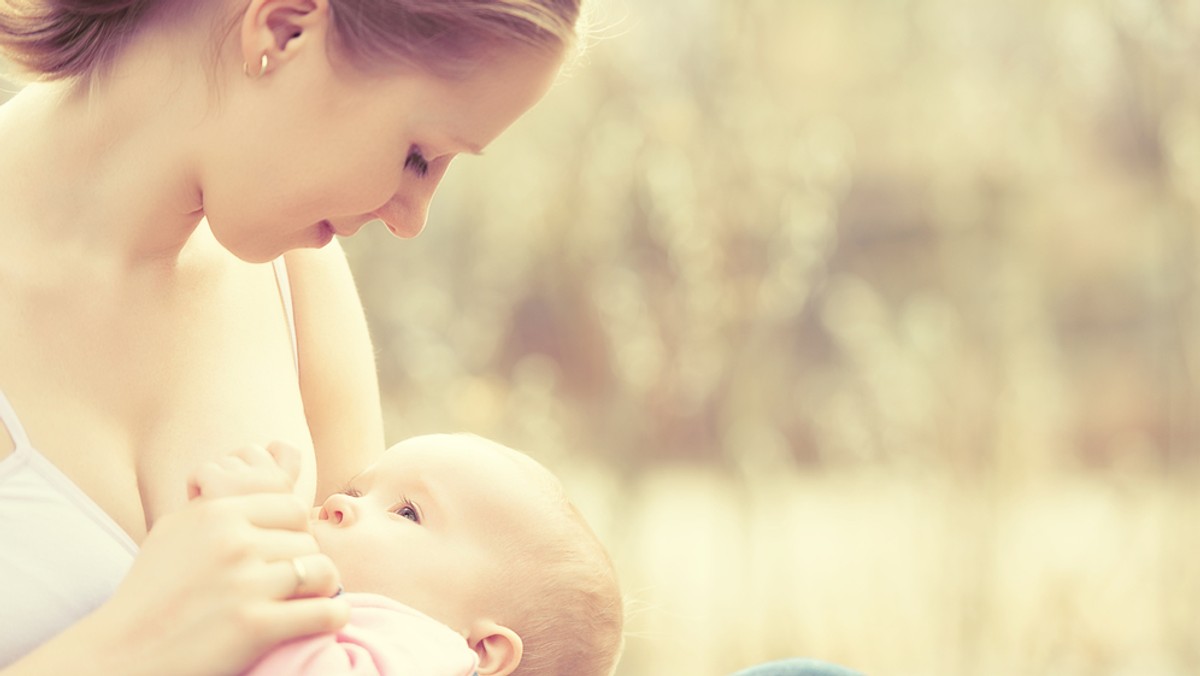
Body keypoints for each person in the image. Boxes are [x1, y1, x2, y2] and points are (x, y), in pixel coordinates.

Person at [0, 0, 581, 672]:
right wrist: (137, 644)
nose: (411, 218)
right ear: (283, 29)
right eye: (419, 156)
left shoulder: (300, 278)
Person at [188, 433, 624, 676]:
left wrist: (251, 526)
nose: (341, 502)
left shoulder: (431, 651)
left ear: (483, 650)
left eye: (407, 512)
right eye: (358, 490)